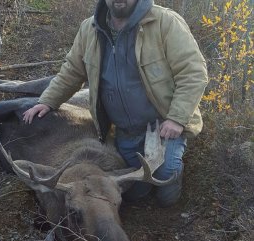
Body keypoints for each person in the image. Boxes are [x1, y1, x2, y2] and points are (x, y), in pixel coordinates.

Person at [23, 0, 208, 207]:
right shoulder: (89, 29)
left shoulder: (165, 22)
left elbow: (193, 73)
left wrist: (176, 119)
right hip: (125, 131)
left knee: (166, 192)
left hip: (163, 126)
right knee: (133, 194)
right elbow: (72, 72)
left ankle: (173, 172)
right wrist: (48, 101)